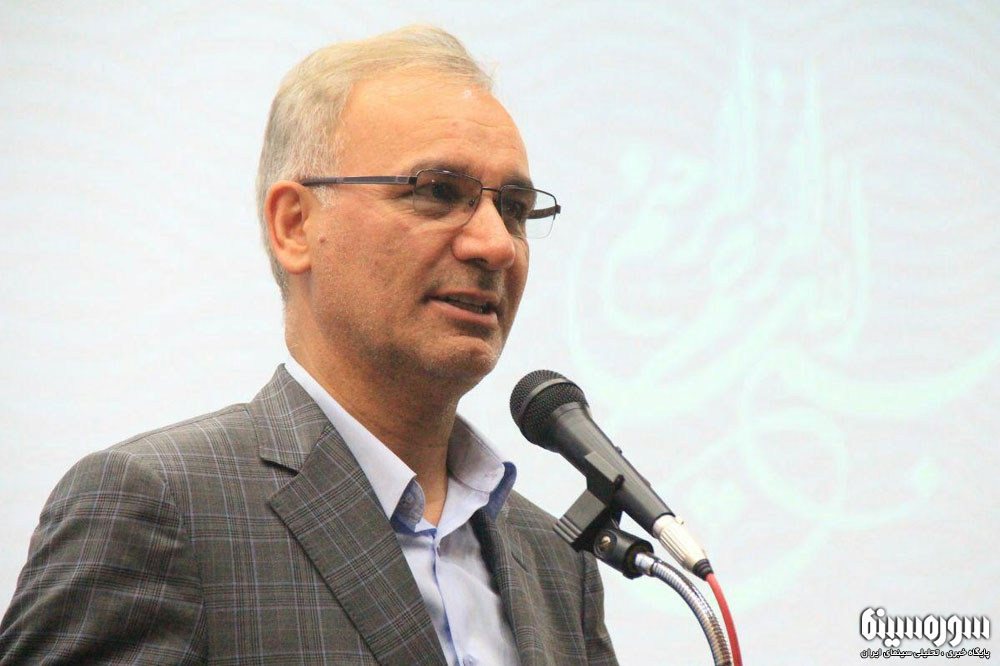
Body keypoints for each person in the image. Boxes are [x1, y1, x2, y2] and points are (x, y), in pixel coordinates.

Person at [0, 26, 618, 666]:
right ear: (295, 225)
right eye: (438, 191)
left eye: (514, 208)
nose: (495, 245)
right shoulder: (158, 507)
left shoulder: (556, 561)